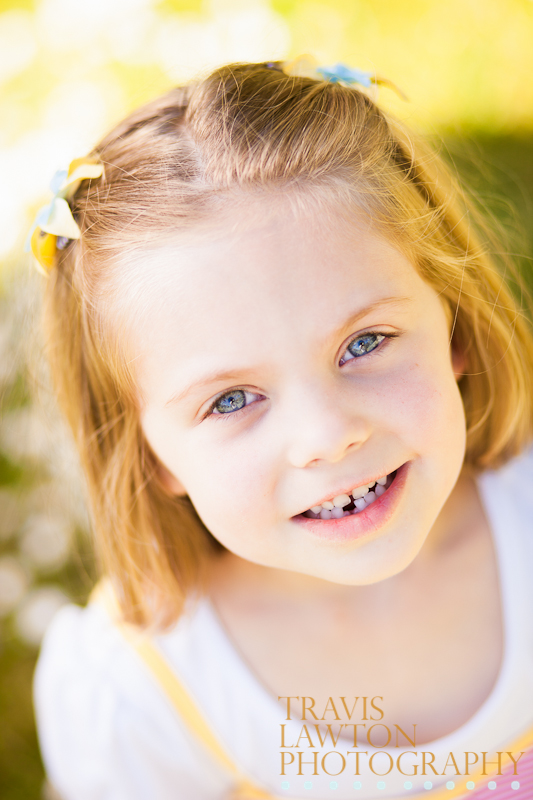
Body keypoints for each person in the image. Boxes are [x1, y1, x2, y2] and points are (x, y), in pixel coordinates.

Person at [31, 59, 533, 800]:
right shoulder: (143, 692)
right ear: (150, 455)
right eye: (231, 399)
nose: (327, 437)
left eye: (364, 343)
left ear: (451, 321)